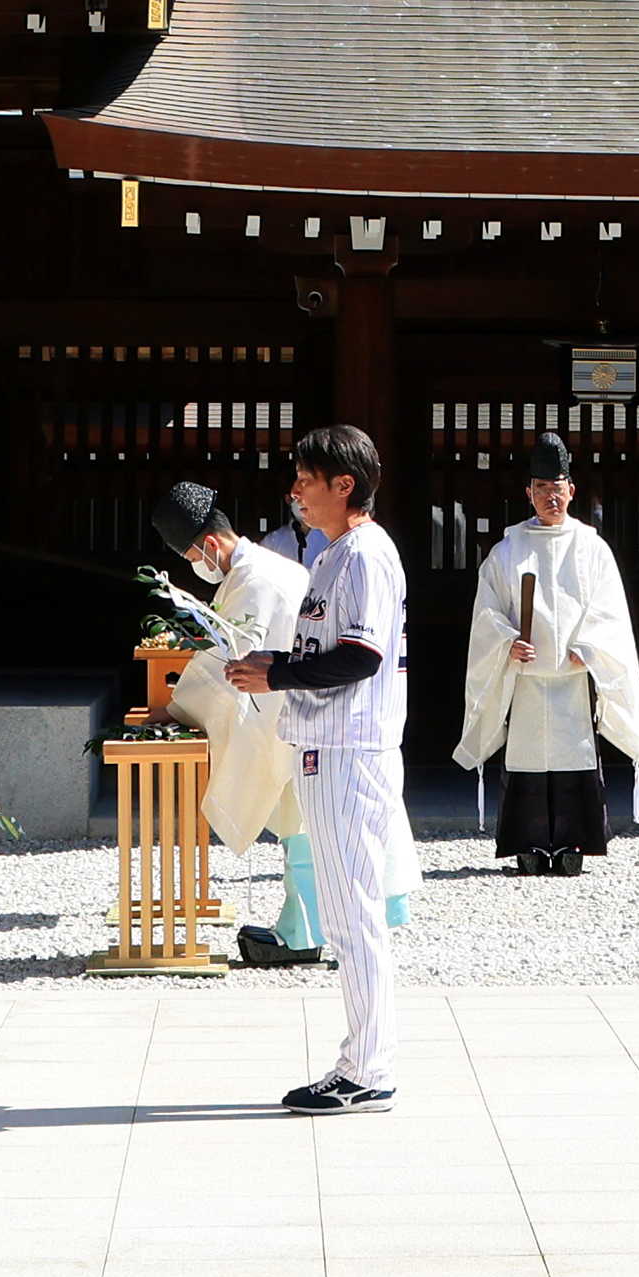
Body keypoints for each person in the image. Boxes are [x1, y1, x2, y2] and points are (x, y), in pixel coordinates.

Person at [225, 425, 414, 1115]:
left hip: (349, 747)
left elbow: (360, 655)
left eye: (309, 476)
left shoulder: (364, 552)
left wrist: (276, 671)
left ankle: (368, 1067)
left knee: (353, 913)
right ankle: (364, 1060)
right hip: (326, 744)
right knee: (345, 912)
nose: (296, 487)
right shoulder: (337, 553)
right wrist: (272, 669)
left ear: (345, 484)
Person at [455, 433, 639, 877]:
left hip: (572, 676)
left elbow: (609, 610)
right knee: (526, 757)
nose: (550, 497)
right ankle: (527, 845)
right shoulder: (507, 552)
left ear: (572, 491)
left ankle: (573, 845)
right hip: (525, 677)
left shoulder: (592, 549)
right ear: (528, 493)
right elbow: (487, 612)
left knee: (574, 758)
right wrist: (507, 640)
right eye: (541, 489)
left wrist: (591, 646)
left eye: (557, 488)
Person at [152, 480, 321, 969]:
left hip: (292, 712)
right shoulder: (258, 570)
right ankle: (301, 926)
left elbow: (228, 667)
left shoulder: (256, 580)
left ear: (208, 545)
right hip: (295, 711)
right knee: (298, 825)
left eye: (190, 555)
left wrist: (178, 708)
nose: (194, 566)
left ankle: (305, 932)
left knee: (301, 825)